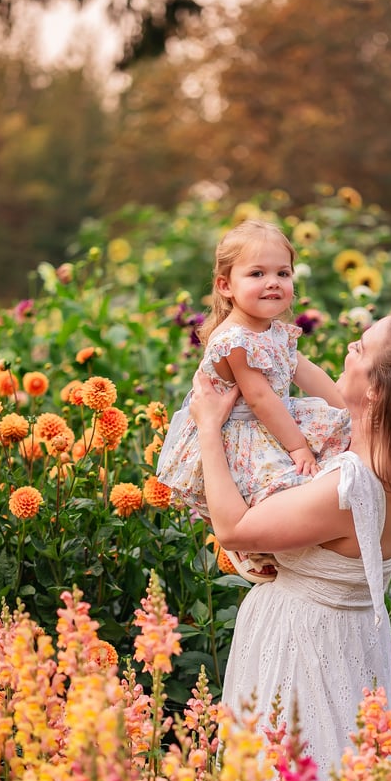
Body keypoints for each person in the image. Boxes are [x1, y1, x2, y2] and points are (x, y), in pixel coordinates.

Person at [188, 311, 391, 781]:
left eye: (360, 349)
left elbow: (232, 528)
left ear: (379, 392)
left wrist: (209, 427)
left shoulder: (349, 487)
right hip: (342, 649)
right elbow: (314, 383)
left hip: (300, 655)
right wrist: (259, 341)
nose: (347, 350)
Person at [157, 219, 351, 581]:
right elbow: (260, 398)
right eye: (257, 273)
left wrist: (346, 408)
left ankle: (282, 539)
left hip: (270, 420)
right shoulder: (234, 339)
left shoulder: (274, 331)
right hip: (242, 430)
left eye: (283, 272)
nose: (273, 282)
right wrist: (297, 447)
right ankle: (251, 544)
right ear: (225, 286)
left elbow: (306, 372)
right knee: (281, 480)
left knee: (337, 435)